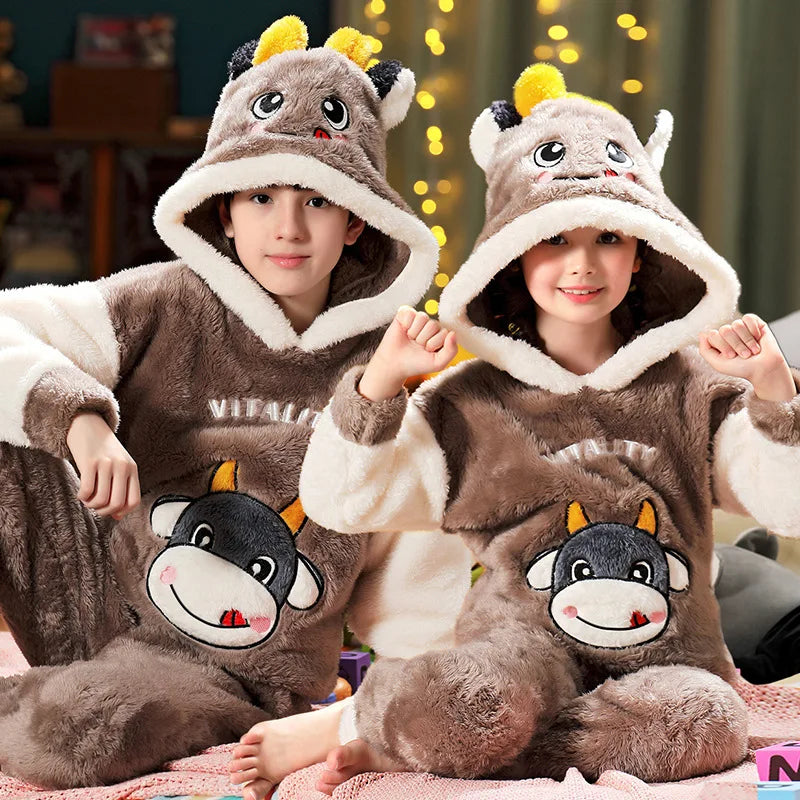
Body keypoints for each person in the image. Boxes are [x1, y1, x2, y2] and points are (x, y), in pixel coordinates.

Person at [231, 63, 800, 796]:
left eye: (608, 238)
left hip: (670, 665)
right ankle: (412, 727)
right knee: (467, 702)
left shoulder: (693, 389)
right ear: (515, 250)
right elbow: (343, 502)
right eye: (555, 238)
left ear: (642, 250)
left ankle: (387, 737)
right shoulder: (468, 401)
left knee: (706, 723)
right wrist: (379, 385)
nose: (582, 266)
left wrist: (776, 396)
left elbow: (788, 506)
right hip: (513, 658)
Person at [0, 16, 471, 789]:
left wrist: (406, 695)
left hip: (239, 664)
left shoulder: (388, 357)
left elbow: (414, 534)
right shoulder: (160, 302)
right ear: (224, 208)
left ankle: (56, 708)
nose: (288, 228)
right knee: (16, 405)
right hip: (94, 601)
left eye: (316, 201)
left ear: (356, 218)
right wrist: (80, 420)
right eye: (260, 196)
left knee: (70, 736)